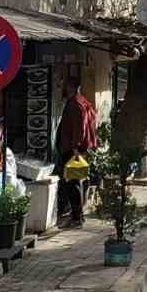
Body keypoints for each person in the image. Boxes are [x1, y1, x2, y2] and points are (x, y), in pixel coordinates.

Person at [54, 80, 99, 227]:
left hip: (72, 149)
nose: (64, 89)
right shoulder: (84, 102)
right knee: (77, 181)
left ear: (71, 87)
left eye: (66, 87)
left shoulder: (75, 104)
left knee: (73, 183)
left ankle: (76, 218)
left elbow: (80, 128)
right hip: (78, 148)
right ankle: (77, 216)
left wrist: (75, 147)